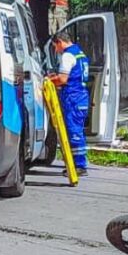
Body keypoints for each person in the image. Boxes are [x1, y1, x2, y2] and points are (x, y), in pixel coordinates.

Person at [49, 32, 90, 176]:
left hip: (73, 98)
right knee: (78, 130)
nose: (56, 51)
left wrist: (48, 81)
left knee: (74, 132)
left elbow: (63, 79)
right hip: (81, 96)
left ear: (60, 42)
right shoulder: (79, 53)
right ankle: (78, 163)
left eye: (55, 47)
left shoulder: (67, 55)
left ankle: (79, 166)